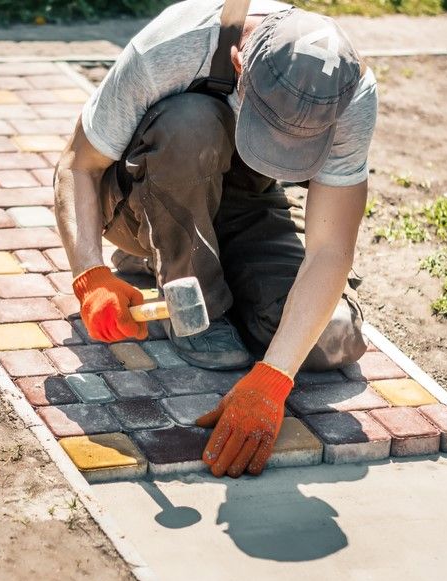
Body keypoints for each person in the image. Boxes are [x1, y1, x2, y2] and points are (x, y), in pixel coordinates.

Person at [55, 0, 378, 478]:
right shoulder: (174, 46)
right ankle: (177, 273)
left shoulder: (347, 94)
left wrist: (272, 380)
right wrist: (89, 273)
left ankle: (212, 265)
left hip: (246, 203)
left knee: (332, 338)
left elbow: (330, 250)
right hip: (148, 195)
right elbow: (77, 166)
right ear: (239, 65)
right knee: (191, 121)